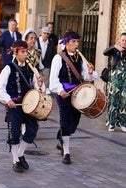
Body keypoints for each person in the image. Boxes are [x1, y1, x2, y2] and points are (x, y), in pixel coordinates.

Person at [0, 40, 44, 173]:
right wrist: (8, 100)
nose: (26, 54)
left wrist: (39, 84)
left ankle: (20, 154)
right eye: (22, 52)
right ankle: (15, 160)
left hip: (29, 104)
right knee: (14, 133)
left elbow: (36, 88)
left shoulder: (31, 68)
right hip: (15, 105)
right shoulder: (8, 68)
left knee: (32, 130)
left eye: (26, 51)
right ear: (15, 52)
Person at [49, 31, 98, 165]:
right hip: (65, 94)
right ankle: (66, 153)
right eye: (73, 42)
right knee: (65, 121)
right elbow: (53, 78)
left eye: (77, 42)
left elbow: (84, 78)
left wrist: (89, 72)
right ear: (67, 43)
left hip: (78, 94)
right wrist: (60, 90)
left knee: (73, 124)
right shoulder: (58, 58)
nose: (76, 45)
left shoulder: (79, 58)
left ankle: (62, 137)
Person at [103, 32, 126, 133]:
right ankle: (111, 123)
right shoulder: (115, 50)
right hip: (115, 79)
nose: (124, 42)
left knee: (124, 102)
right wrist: (115, 46)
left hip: (125, 80)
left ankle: (122, 123)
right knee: (113, 100)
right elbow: (105, 52)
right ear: (120, 41)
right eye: (123, 40)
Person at [36, 26, 56, 94]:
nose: (46, 35)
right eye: (44, 33)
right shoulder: (36, 41)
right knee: (37, 78)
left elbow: (53, 54)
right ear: (41, 33)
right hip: (37, 64)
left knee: (46, 78)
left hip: (47, 64)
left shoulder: (51, 43)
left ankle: (46, 90)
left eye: (47, 33)